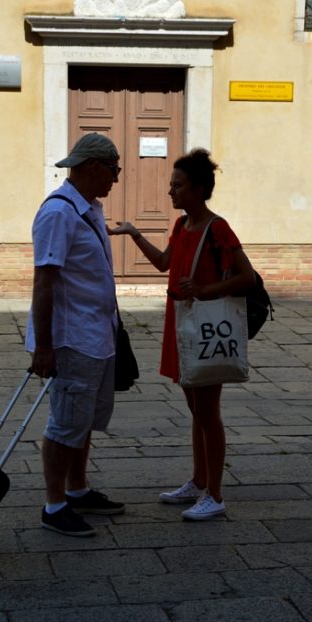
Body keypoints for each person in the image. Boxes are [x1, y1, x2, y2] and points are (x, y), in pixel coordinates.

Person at [110, 148, 255, 520]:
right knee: (195, 409)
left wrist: (204, 291)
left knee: (208, 412)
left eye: (177, 185)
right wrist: (134, 234)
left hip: (204, 325)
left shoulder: (216, 228)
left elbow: (247, 277)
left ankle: (216, 494)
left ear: (198, 188)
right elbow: (163, 263)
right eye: (171, 185)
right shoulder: (181, 226)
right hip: (183, 323)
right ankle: (199, 480)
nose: (170, 192)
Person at [25, 133, 126, 537]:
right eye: (113, 170)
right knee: (65, 423)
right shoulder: (58, 213)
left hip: (97, 334)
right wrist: (45, 346)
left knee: (82, 421)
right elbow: (44, 281)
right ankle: (54, 504)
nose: (116, 179)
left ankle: (78, 488)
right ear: (92, 168)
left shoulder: (90, 209)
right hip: (71, 338)